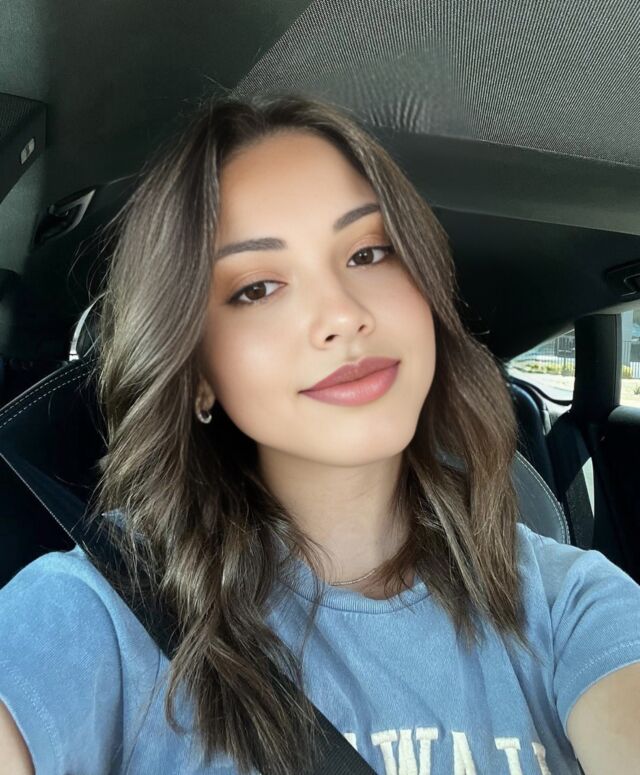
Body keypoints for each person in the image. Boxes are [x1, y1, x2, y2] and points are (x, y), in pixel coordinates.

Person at [1, 92, 640, 775]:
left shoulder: (569, 602)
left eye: (369, 252)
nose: (341, 314)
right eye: (256, 288)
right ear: (199, 373)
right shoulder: (99, 611)